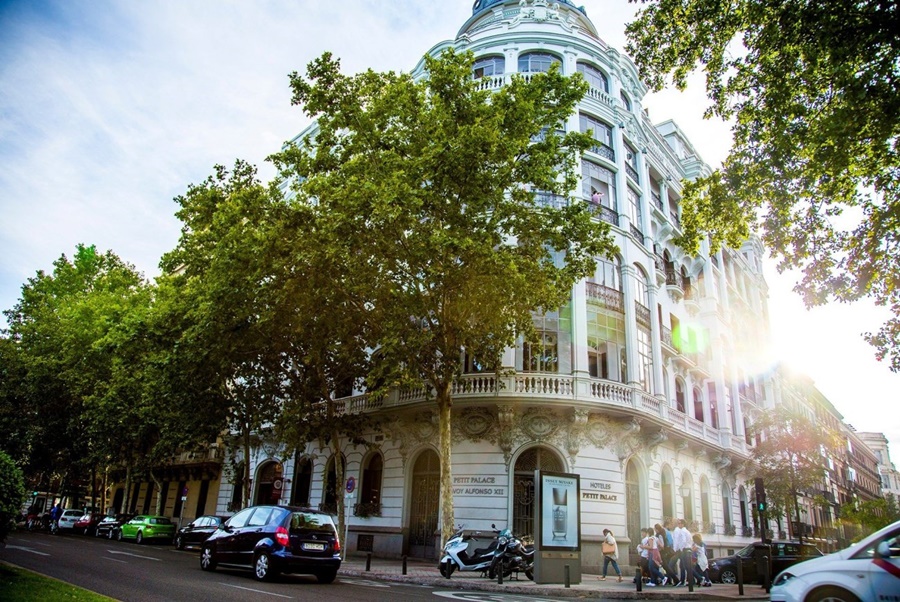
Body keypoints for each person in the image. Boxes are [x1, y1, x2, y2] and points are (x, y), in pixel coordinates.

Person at [671, 518, 692, 586]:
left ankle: (695, 578)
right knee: (682, 565)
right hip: (684, 549)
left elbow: (683, 541)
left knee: (686, 566)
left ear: (683, 524)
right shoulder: (684, 531)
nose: (678, 525)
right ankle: (683, 580)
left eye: (680, 523)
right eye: (678, 523)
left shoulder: (683, 531)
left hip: (684, 550)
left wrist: (680, 549)